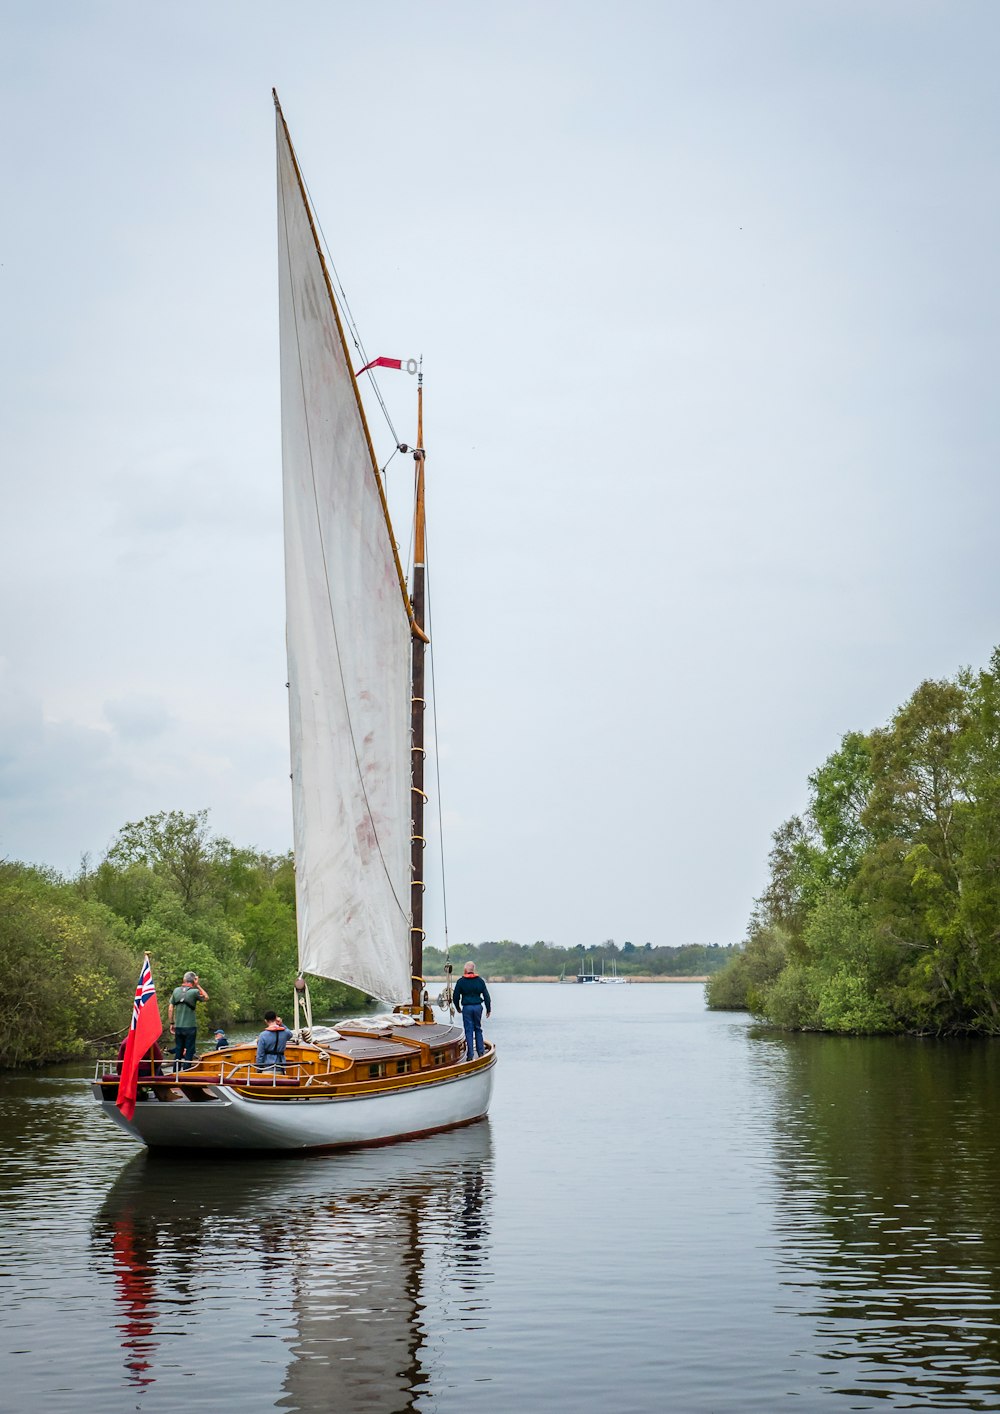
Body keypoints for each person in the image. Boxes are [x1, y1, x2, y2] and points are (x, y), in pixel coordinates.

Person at [168, 971, 209, 1068]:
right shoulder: (194, 992)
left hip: (178, 1027)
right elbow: (206, 997)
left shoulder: (176, 991)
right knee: (189, 1051)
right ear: (193, 981)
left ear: (184, 980)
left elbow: (170, 1008)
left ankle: (175, 1073)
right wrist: (198, 985)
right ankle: (185, 1073)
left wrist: (171, 1023)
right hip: (190, 1027)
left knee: (178, 1050)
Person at [452, 961, 491, 1062]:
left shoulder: (461, 981)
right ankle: (481, 1051)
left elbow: (455, 996)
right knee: (478, 1029)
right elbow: (486, 996)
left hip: (467, 1008)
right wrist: (488, 1009)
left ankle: (470, 1055)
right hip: (478, 1007)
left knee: (469, 1030)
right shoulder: (480, 981)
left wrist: (457, 1007)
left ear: (465, 970)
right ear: (473, 970)